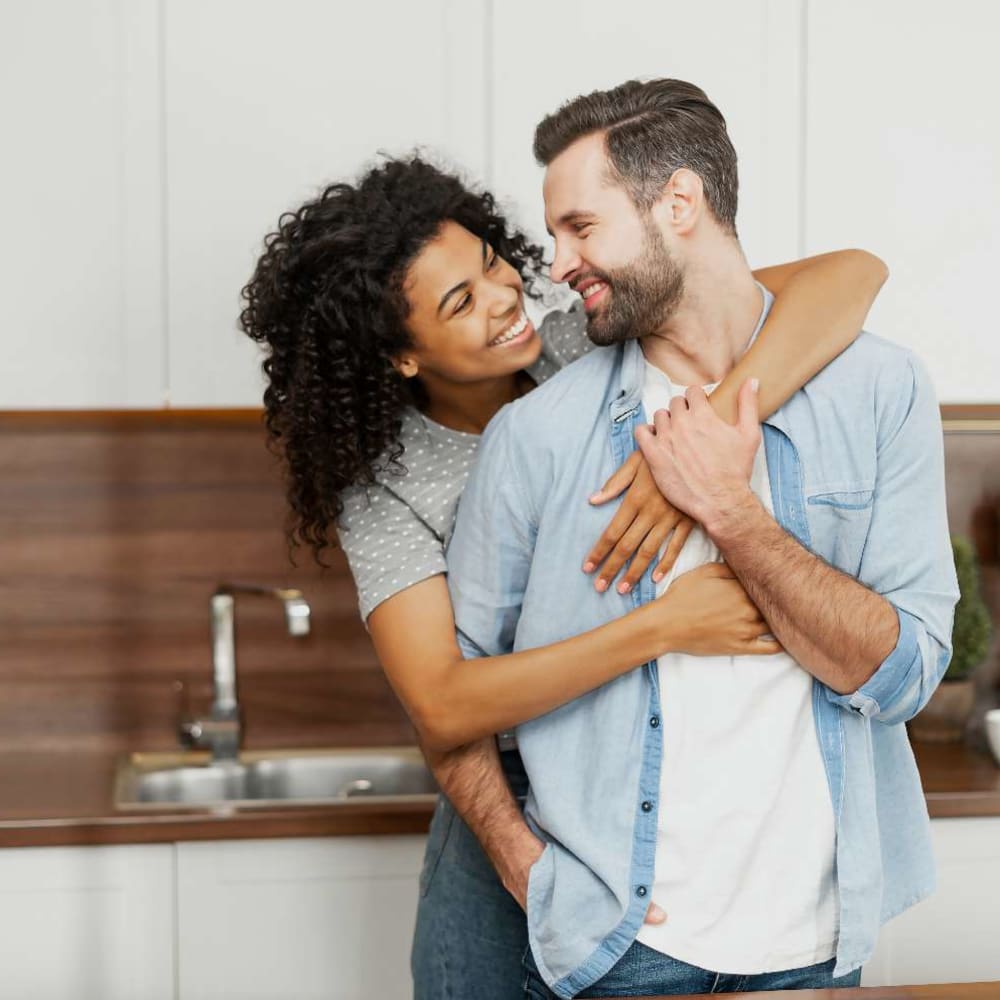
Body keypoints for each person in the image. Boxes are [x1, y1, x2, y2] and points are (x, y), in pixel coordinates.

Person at [239, 154, 889, 999]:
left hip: (640, 780)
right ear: (400, 357)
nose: (506, 297)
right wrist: (659, 630)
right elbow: (443, 702)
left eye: (491, 263)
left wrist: (710, 436)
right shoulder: (387, 487)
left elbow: (850, 277)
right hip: (505, 799)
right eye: (460, 303)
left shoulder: (587, 337)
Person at [444, 79, 959, 999]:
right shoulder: (537, 435)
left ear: (678, 203)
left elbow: (903, 677)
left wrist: (729, 509)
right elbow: (454, 704)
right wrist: (527, 868)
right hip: (614, 950)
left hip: (813, 946)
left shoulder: (880, 392)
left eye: (580, 228)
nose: (555, 264)